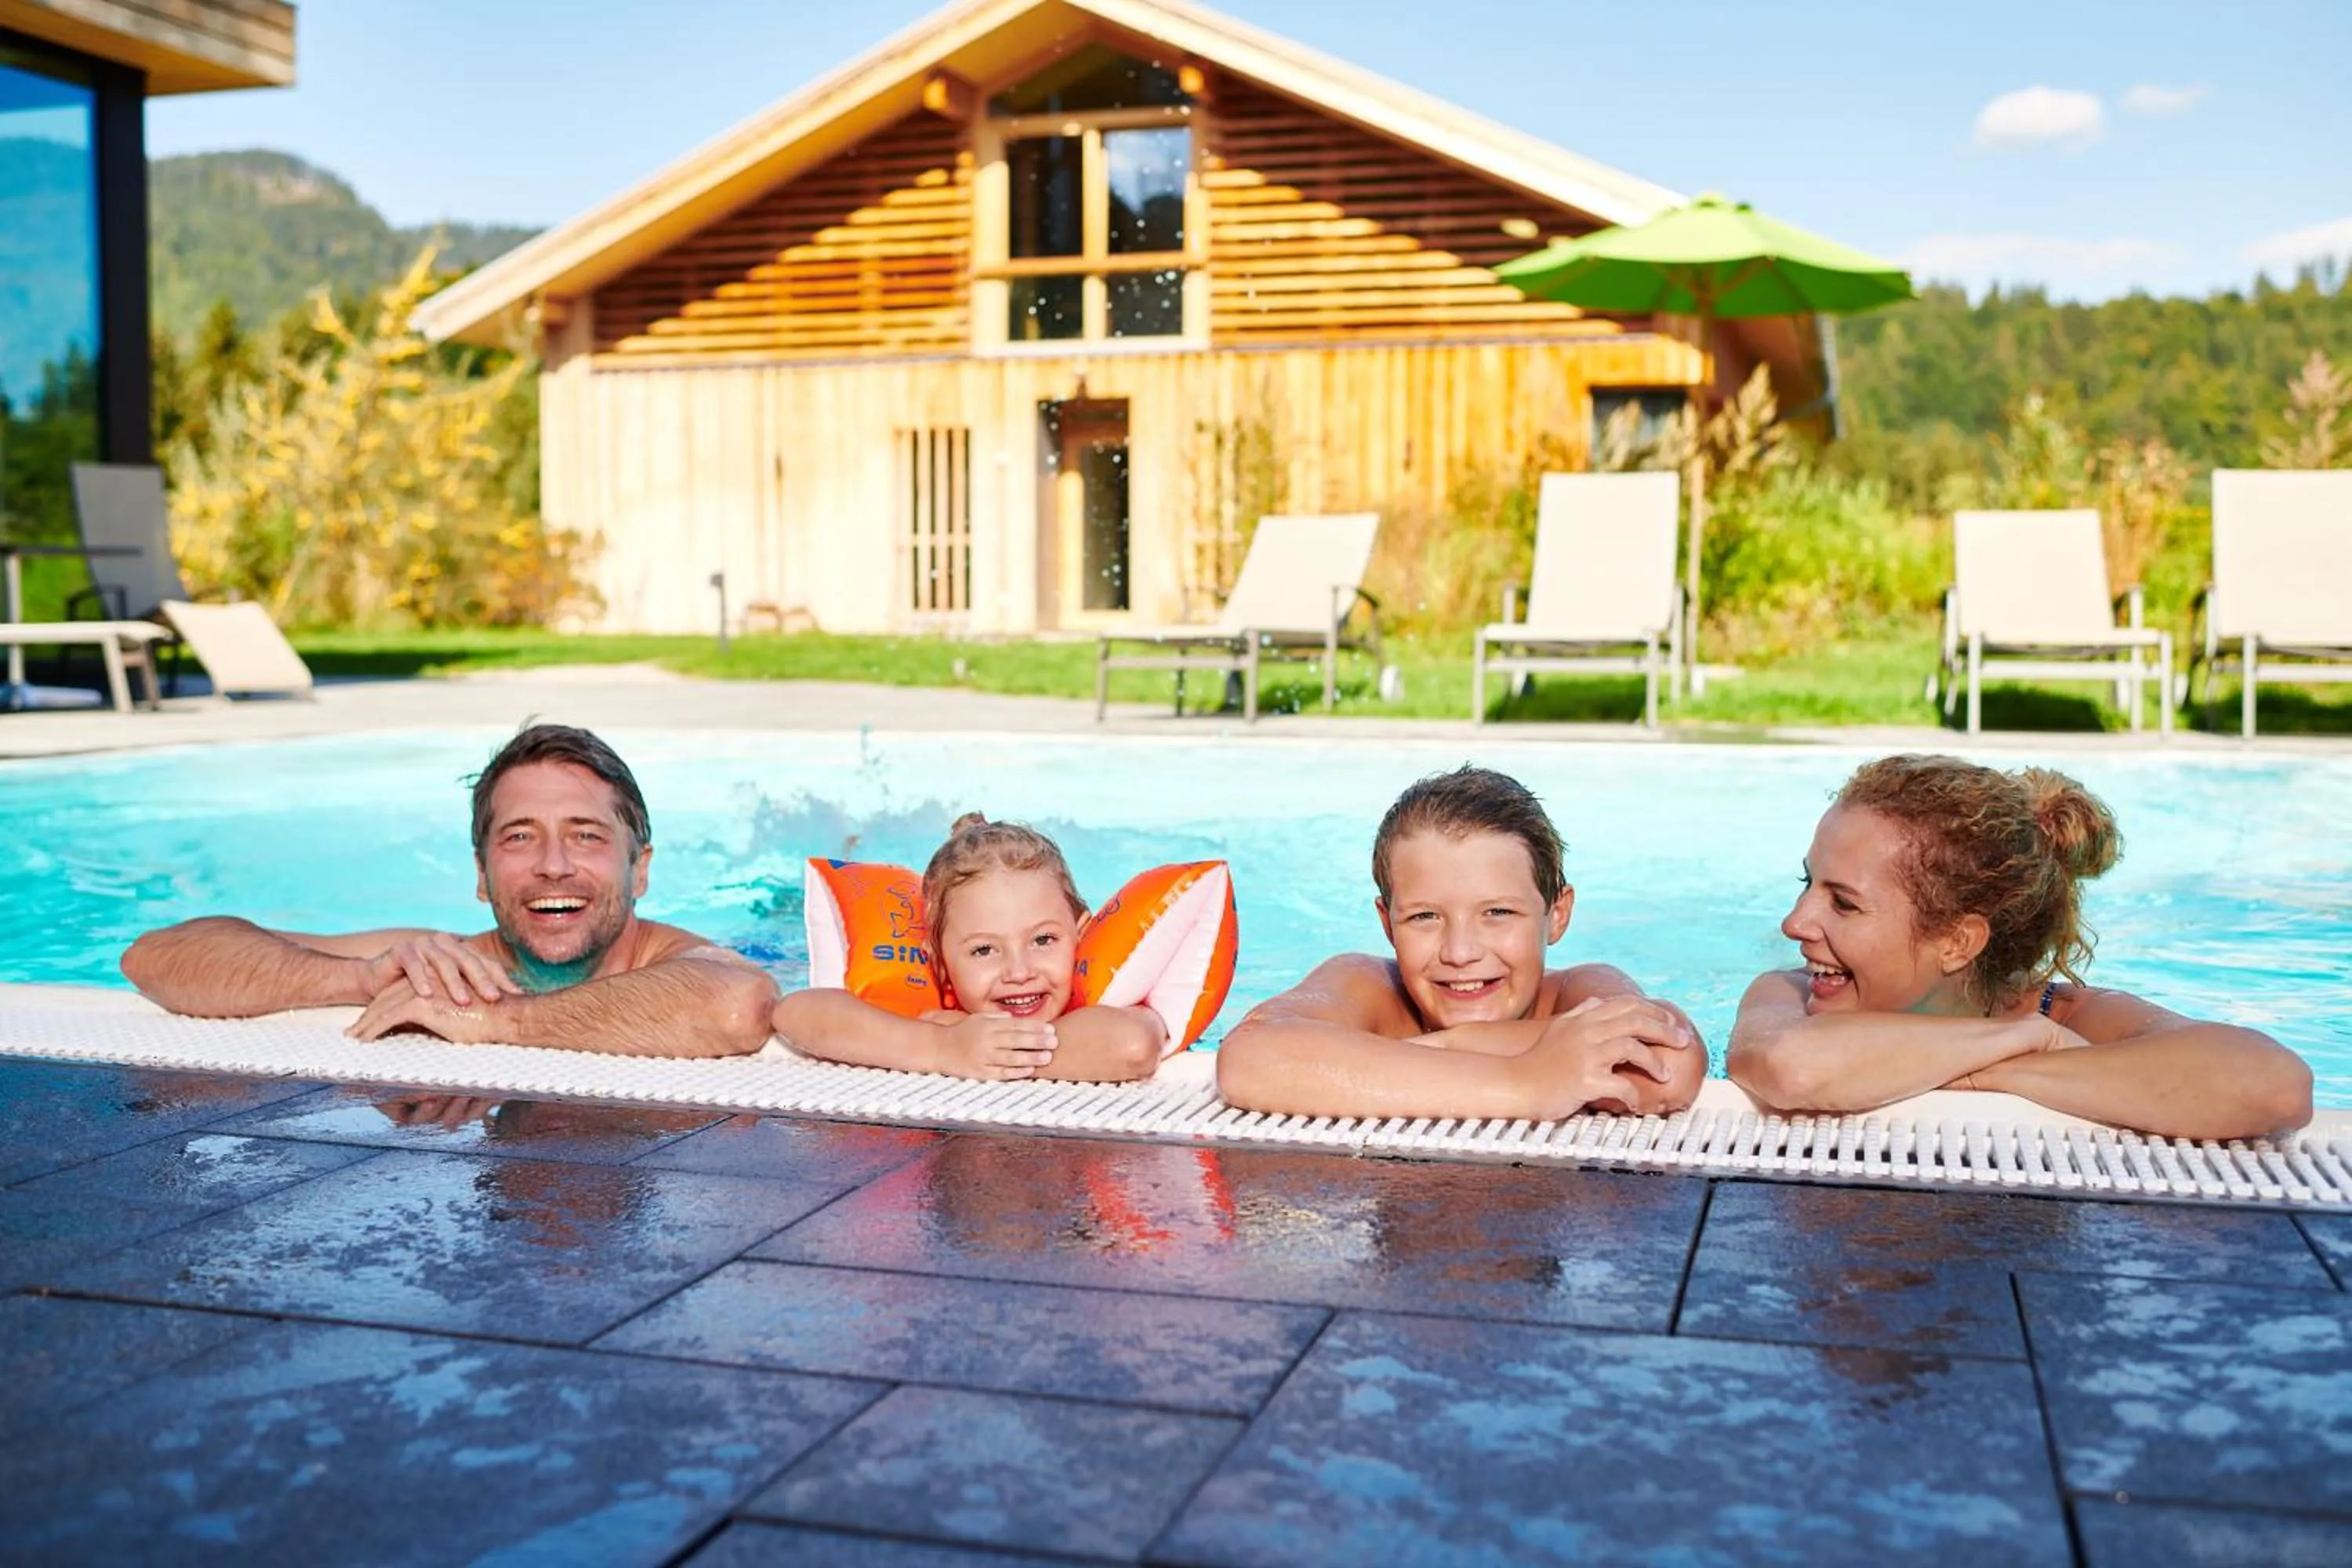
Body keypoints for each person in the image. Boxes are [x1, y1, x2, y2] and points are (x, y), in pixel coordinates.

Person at [1728, 753, 2313, 1140]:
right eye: (1808, 884)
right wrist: (2030, 1045)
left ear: (1957, 942)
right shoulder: (1789, 991)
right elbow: (1789, 1066)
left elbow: (2274, 1087)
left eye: (1844, 903)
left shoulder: (2073, 1015)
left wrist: (1994, 1070)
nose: (1793, 923)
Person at [122, 723, 776, 1058]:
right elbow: (155, 957)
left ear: (641, 870)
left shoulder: (687, 962)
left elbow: (736, 1005)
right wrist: (361, 979)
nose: (552, 866)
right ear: (480, 874)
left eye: (585, 836)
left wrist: (494, 1022)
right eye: (519, 837)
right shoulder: (451, 960)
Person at [1216, 765, 1706, 1120]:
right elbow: (1249, 1057)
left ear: (1557, 915)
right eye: (1425, 917)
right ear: (1388, 924)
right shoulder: (1368, 984)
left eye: (1497, 913)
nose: (1460, 952)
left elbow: (1670, 1066)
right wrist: (1524, 1083)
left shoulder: (1579, 991)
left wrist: (1432, 1047)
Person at [772, 813, 1167, 1081]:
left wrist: (994, 1053)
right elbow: (796, 1013)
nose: (1019, 972)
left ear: (1082, 934)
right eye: (984, 950)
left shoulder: (1098, 1005)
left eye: (1043, 940)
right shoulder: (938, 1021)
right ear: (939, 962)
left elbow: (1134, 1044)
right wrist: (941, 1049)